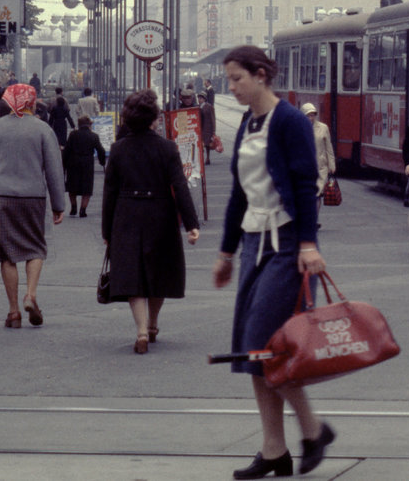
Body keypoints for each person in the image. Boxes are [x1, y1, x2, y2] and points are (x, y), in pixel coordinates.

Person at [210, 46, 333, 479]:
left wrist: (308, 245)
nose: (231, 87)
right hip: (253, 244)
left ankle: (313, 430)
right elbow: (239, 193)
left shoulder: (291, 121)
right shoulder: (249, 121)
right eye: (229, 79)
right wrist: (226, 253)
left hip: (285, 247)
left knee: (266, 346)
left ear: (261, 75)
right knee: (253, 352)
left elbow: (304, 185)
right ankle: (275, 449)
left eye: (236, 79)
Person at [102, 91, 200, 354]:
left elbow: (109, 192)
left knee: (133, 274)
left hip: (127, 214)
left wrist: (106, 230)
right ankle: (154, 323)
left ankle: (141, 331)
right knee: (159, 271)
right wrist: (192, 224)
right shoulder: (167, 148)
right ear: (153, 119)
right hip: (161, 214)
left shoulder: (118, 149)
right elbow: (179, 187)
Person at [0, 84, 65, 329]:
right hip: (32, 197)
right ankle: (31, 295)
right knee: (35, 246)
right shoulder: (43, 130)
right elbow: (54, 170)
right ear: (32, 103)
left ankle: (13, 311)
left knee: (6, 253)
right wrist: (58, 204)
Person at [64, 115, 106, 217]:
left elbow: (67, 150)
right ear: (89, 125)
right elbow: (101, 150)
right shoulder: (94, 136)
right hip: (87, 163)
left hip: (73, 162)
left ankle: (73, 208)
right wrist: (102, 162)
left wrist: (64, 164)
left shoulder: (73, 135)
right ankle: (83, 210)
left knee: (72, 186)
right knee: (86, 188)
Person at [300, 102, 335, 212]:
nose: (311, 118)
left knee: (317, 194)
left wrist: (332, 165)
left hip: (321, 167)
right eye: (308, 115)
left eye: (313, 115)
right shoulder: (298, 128)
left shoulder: (323, 128)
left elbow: (328, 148)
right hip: (305, 168)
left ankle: (314, 219)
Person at [200, 92, 217, 166]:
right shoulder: (198, 107)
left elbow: (213, 118)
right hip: (200, 128)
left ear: (204, 99)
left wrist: (213, 130)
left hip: (207, 128)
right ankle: (201, 158)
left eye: (201, 98)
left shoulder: (209, 107)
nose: (199, 100)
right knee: (201, 144)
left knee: (207, 144)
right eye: (199, 98)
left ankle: (207, 158)